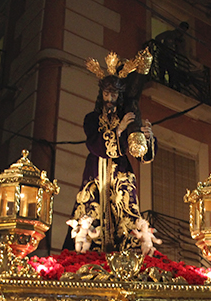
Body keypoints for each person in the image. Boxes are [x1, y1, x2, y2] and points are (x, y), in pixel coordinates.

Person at [66, 49, 156, 253]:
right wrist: (120, 129)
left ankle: (129, 251)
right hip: (95, 172)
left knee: (125, 208)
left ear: (119, 95)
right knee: (91, 212)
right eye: (107, 94)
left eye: (114, 94)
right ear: (101, 94)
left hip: (120, 172)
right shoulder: (91, 119)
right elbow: (95, 145)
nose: (110, 98)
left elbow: (139, 152)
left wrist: (146, 137)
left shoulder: (129, 116)